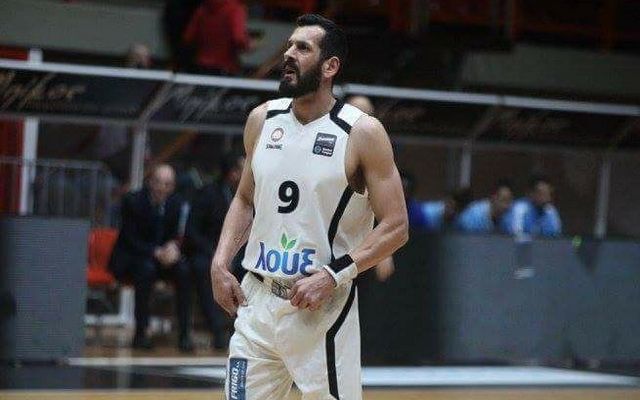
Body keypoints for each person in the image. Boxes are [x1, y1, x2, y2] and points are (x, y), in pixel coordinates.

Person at [210, 14, 409, 399]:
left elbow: (396, 225)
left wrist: (333, 275)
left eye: (303, 48)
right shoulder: (261, 120)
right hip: (257, 300)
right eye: (289, 45)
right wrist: (220, 263)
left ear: (330, 66)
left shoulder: (362, 132)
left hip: (321, 304)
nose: (289, 53)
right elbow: (245, 199)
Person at [109, 164, 193, 351]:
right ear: (150, 182)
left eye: (167, 184)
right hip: (133, 256)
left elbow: (178, 235)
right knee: (146, 269)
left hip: (160, 258)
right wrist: (155, 251)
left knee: (183, 270)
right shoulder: (132, 201)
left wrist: (173, 247)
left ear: (172, 187)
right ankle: (141, 333)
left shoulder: (176, 203)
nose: (162, 188)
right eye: (159, 183)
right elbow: (130, 238)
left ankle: (184, 334)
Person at [182, 153, 245, 350]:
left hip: (238, 254)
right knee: (203, 268)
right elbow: (191, 232)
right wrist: (219, 256)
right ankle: (216, 329)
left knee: (252, 269)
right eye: (243, 169)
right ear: (233, 173)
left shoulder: (252, 195)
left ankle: (243, 329)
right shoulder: (208, 193)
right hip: (207, 252)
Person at [182, 0, 253, 75]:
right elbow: (239, 39)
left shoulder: (202, 9)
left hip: (200, 66)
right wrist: (249, 45)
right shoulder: (235, 9)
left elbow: (188, 37)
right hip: (225, 67)